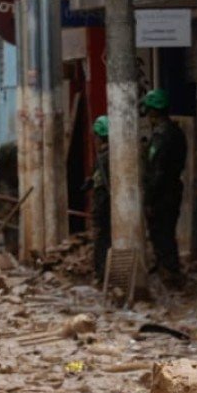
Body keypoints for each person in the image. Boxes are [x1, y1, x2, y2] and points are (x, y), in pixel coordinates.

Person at [142, 89, 187, 281]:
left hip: (162, 193)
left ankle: (169, 272)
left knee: (161, 233)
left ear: (153, 112)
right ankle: (166, 268)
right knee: (165, 231)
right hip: (172, 188)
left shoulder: (162, 136)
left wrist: (149, 198)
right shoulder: (177, 132)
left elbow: (158, 170)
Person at [88, 115, 111, 280]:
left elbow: (102, 186)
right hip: (106, 204)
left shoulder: (105, 157)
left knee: (102, 239)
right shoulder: (107, 155)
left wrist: (96, 211)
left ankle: (102, 273)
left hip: (104, 205)